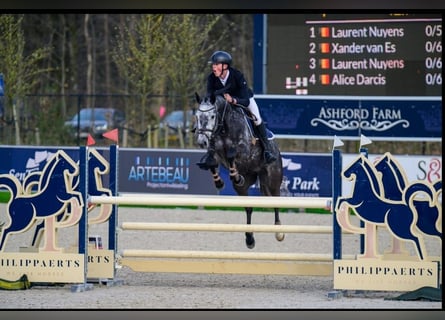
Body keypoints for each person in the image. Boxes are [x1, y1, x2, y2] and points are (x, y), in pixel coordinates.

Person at [196, 50, 277, 170]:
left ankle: (267, 150)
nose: (214, 67)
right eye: (213, 65)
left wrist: (233, 100)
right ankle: (210, 154)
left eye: (216, 64)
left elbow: (246, 101)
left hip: (242, 100)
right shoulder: (211, 78)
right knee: (212, 119)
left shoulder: (237, 76)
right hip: (223, 104)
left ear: (225, 66)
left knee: (257, 118)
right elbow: (209, 96)